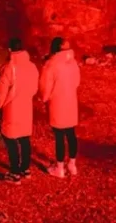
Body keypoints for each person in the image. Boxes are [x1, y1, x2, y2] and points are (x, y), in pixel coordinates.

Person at [0, 37, 39, 182]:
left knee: (10, 138)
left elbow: (2, 91)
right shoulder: (32, 66)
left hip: (11, 107)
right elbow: (34, 88)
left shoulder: (8, 68)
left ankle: (14, 171)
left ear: (9, 50)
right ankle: (25, 168)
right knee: (24, 137)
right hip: (26, 106)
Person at [39, 36, 81, 178]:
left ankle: (60, 168)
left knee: (59, 136)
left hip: (57, 102)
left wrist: (45, 98)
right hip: (71, 101)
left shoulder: (51, 64)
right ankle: (72, 164)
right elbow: (77, 82)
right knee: (71, 134)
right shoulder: (73, 62)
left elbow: (46, 86)